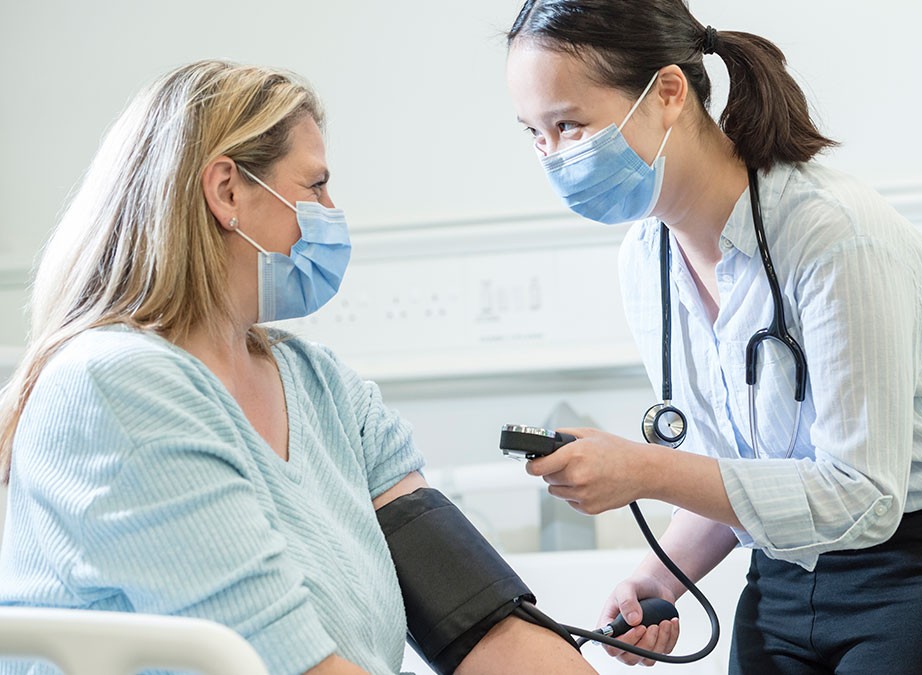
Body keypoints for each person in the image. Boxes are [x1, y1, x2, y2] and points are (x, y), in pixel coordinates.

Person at [0, 60, 594, 675]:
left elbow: (475, 618)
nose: (333, 211)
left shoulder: (322, 388)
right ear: (227, 190)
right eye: (315, 187)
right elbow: (291, 667)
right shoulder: (116, 387)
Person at [504, 1, 922, 673]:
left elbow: (861, 494)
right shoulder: (646, 260)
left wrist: (643, 470)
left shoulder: (832, 233)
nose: (554, 156)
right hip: (787, 567)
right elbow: (737, 471)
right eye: (535, 133)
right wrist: (662, 576)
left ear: (669, 92)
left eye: (570, 124)